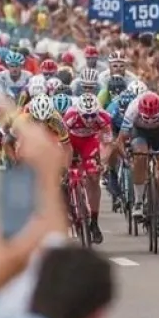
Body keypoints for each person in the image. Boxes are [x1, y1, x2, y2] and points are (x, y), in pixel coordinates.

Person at [118, 92, 159, 230]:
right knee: (140, 156)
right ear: (140, 111)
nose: (150, 121)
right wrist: (126, 158)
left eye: (154, 118)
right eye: (146, 118)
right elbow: (120, 140)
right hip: (140, 133)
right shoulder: (132, 109)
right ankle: (138, 201)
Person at [62, 93, 113, 244]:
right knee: (63, 175)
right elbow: (60, 141)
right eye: (86, 116)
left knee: (94, 176)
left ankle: (94, 223)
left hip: (90, 142)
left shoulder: (104, 117)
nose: (90, 120)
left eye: (92, 116)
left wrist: (102, 161)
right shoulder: (70, 117)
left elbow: (108, 144)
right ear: (79, 112)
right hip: (71, 141)